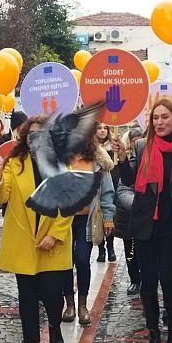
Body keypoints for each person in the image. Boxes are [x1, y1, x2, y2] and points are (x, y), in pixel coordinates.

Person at [111, 97, 172, 343]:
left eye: (164, 117)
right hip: (146, 227)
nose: (159, 122)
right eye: (155, 118)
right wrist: (123, 159)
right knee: (148, 283)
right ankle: (153, 336)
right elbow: (127, 181)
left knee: (170, 281)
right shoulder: (141, 145)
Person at [0, 115, 72, 343]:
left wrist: (55, 234)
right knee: (27, 297)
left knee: (52, 294)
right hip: (24, 240)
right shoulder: (14, 162)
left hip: (52, 241)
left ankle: (55, 326)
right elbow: (0, 196)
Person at [62, 131, 115, 324]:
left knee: (82, 259)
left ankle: (83, 304)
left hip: (87, 219)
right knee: (65, 262)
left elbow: (107, 192)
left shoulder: (98, 160)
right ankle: (69, 304)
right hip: (62, 220)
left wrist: (108, 217)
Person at [113, 127, 144, 295]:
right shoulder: (128, 161)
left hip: (145, 218)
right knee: (130, 250)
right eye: (135, 141)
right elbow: (122, 188)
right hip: (128, 215)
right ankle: (134, 279)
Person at [95, 123, 117, 262]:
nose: (102, 130)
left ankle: (110, 247)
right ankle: (101, 249)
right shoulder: (91, 148)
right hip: (98, 187)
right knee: (97, 219)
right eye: (99, 128)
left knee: (109, 219)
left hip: (113, 185)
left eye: (105, 128)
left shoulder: (114, 146)